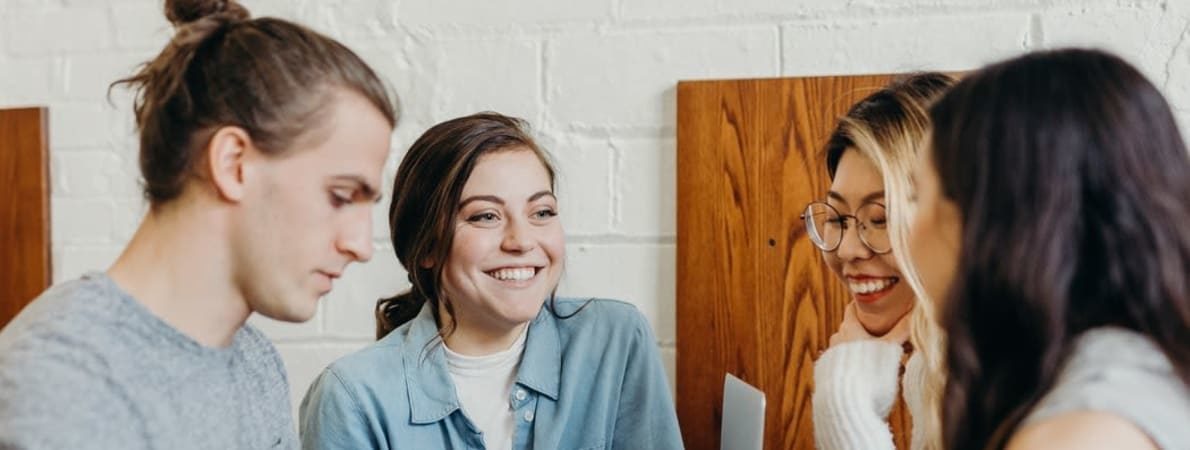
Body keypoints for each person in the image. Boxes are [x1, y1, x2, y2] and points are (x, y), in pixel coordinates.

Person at [0, 0, 397, 447]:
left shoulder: (256, 361)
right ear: (233, 164)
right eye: (341, 196)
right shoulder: (62, 389)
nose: (362, 245)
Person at [299, 112, 683, 450]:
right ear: (427, 247)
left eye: (542, 212)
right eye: (485, 216)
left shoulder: (614, 341)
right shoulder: (351, 398)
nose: (522, 241)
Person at [909, 48, 1190, 449]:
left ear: (986, 218)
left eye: (916, 195)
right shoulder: (1144, 376)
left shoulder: (1078, 433)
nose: (909, 231)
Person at [805, 72, 954, 450]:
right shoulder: (933, 369)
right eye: (838, 220)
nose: (846, 250)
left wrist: (844, 398)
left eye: (881, 219)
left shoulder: (1017, 384)